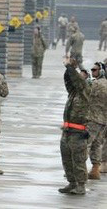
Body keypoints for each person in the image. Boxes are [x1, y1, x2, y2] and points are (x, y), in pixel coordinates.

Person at [59, 57, 91, 195]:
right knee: (66, 158)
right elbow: (69, 81)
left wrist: (70, 68)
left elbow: (78, 82)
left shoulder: (85, 91)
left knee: (78, 160)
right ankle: (72, 183)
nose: (80, 74)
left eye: (83, 73)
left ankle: (81, 185)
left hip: (78, 133)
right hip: (67, 131)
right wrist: (68, 70)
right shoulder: (73, 93)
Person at [86, 62, 107, 180]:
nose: (93, 72)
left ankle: (79, 169)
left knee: (85, 144)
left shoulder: (96, 84)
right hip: (103, 121)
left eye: (94, 70)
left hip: (93, 119)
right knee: (97, 144)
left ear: (101, 71)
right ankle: (95, 170)